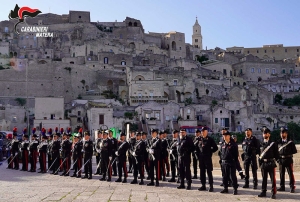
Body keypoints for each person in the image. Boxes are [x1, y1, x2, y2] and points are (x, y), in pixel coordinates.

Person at [258, 128, 279, 199]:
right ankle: (263, 191)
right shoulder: (261, 144)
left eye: (266, 133)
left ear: (269, 134)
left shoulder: (273, 144)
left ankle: (273, 193)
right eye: (264, 133)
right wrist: (260, 163)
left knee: (273, 179)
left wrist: (277, 161)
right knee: (264, 179)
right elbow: (259, 154)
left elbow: (276, 154)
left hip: (271, 163)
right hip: (264, 163)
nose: (265, 134)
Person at [197, 127, 218, 192]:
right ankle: (203, 185)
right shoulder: (199, 139)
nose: (203, 133)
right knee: (202, 172)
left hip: (207, 158)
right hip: (201, 158)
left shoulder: (210, 139)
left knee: (209, 172)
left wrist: (210, 151)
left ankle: (211, 186)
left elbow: (215, 148)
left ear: (207, 132)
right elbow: (197, 148)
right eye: (202, 132)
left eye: (204, 131)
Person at [277, 128, 297, 193]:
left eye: (284, 133)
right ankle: (282, 186)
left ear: (286, 134)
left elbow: (294, 151)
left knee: (290, 174)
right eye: (281, 133)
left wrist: (288, 153)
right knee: (281, 174)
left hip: (288, 159)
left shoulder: (290, 142)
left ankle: (292, 187)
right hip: (281, 160)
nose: (282, 134)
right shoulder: (278, 142)